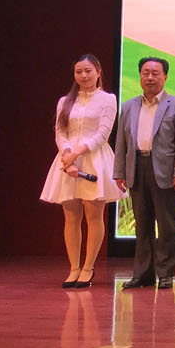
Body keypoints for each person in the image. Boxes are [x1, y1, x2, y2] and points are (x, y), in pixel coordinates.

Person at [40, 54, 123, 288]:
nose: (84, 76)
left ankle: (88, 267)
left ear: (98, 72)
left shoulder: (108, 99)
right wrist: (67, 156)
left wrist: (76, 153)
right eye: (79, 72)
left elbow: (103, 134)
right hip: (67, 162)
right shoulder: (64, 101)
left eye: (88, 71)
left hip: (94, 159)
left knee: (93, 215)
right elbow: (60, 132)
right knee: (71, 216)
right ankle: (74, 268)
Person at [113, 56, 175, 290]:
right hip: (137, 168)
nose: (150, 78)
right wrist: (119, 172)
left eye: (155, 73)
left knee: (167, 225)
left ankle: (165, 273)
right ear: (140, 76)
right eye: (145, 73)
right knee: (142, 224)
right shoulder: (129, 106)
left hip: (166, 171)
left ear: (165, 77)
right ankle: (143, 274)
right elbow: (121, 142)